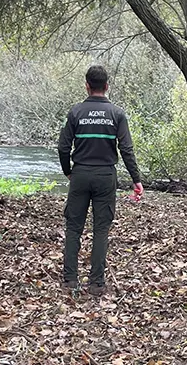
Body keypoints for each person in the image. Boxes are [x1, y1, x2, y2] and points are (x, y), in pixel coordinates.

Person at [57, 65, 143, 296]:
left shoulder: (76, 113)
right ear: (106, 86)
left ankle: (70, 281)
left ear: (87, 86)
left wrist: (68, 171)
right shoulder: (117, 114)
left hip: (81, 174)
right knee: (101, 230)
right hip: (106, 176)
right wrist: (136, 179)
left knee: (74, 228)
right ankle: (96, 284)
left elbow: (63, 147)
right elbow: (126, 149)